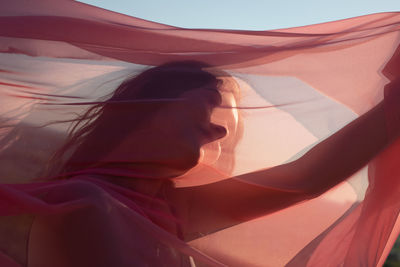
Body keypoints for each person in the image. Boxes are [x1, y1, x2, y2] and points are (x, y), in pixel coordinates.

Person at [3, 60, 400, 267]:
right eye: (212, 109)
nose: (220, 134)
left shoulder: (168, 211)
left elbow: (304, 179)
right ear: (149, 102)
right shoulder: (84, 203)